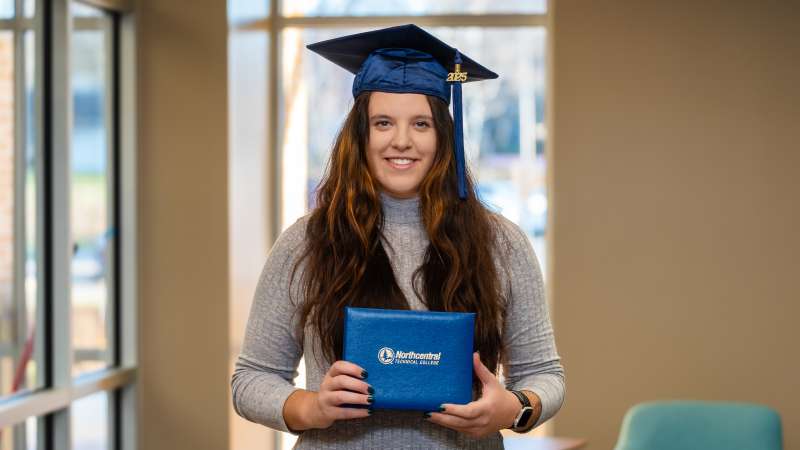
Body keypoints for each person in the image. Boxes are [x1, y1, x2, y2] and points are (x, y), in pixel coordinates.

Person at [231, 24, 565, 449]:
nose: (401, 141)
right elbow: (251, 379)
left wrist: (515, 408)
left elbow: (546, 375)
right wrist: (312, 407)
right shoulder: (308, 242)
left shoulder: (501, 243)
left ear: (444, 136)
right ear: (361, 135)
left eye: (421, 123)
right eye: (383, 122)